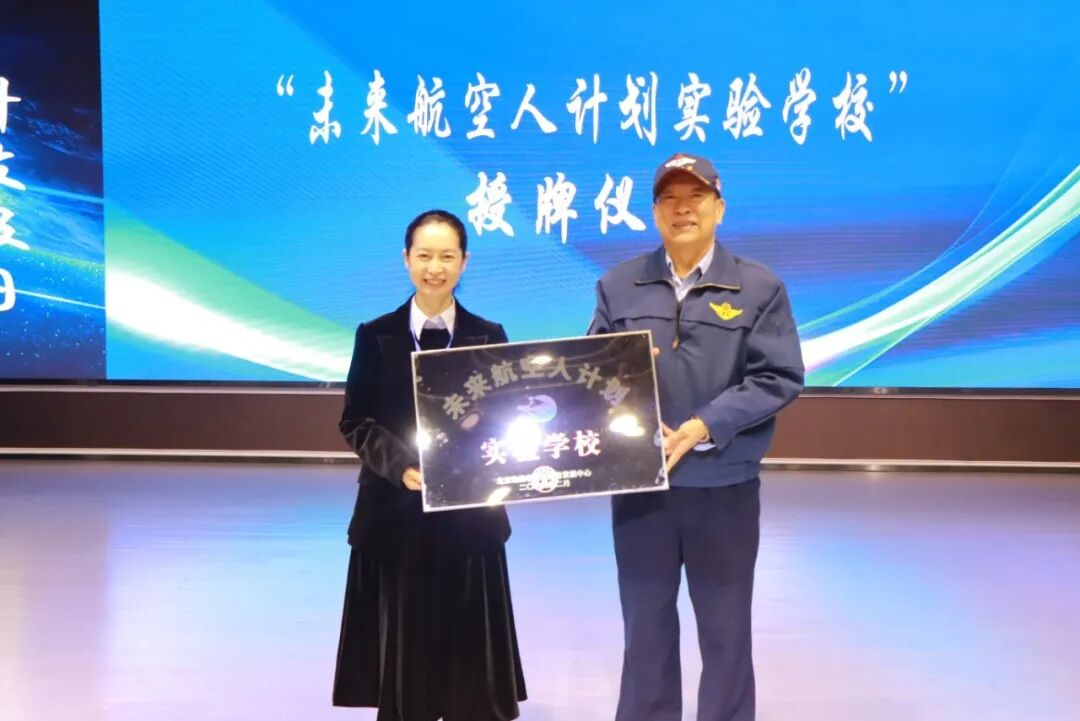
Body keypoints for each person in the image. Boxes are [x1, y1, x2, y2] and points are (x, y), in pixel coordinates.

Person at [588, 153, 805, 721]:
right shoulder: (618, 286)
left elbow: (778, 376)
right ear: (655, 212)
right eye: (669, 198)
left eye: (696, 197)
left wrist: (705, 425)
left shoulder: (759, 287)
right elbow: (594, 374)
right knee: (645, 627)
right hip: (642, 488)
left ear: (719, 208)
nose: (682, 209)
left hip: (724, 486)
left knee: (726, 629)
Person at [333, 209, 527, 721]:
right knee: (406, 652)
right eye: (424, 255)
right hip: (396, 513)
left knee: (470, 652)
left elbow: (507, 416)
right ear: (406, 259)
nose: (434, 268)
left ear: (464, 262)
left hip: (471, 515)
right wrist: (402, 467)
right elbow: (356, 420)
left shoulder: (488, 335)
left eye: (446, 256)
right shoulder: (375, 335)